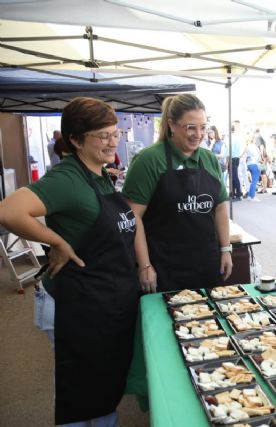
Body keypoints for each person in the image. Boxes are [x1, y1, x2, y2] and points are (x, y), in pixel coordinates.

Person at [0, 97, 140, 426]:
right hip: (76, 307)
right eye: (102, 135)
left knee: (102, 389)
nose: (112, 141)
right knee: (83, 395)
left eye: (114, 133)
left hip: (101, 302)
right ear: (76, 140)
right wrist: (56, 240)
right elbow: (8, 210)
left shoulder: (100, 174)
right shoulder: (67, 178)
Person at [122, 93, 232, 292]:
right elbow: (133, 216)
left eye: (203, 127)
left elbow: (221, 208)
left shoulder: (209, 159)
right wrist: (145, 265)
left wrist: (225, 249)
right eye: (190, 127)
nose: (198, 134)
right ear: (172, 125)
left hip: (206, 264)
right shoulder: (149, 160)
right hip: (164, 267)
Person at [243, 136, 261, 201]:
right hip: (254, 164)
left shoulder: (247, 147)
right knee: (254, 181)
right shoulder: (255, 147)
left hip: (249, 164)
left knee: (253, 181)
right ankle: (252, 196)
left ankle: (250, 196)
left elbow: (244, 154)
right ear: (253, 140)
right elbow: (259, 157)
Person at [230, 120, 243, 200]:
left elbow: (230, 149)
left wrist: (239, 156)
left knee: (234, 177)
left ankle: (238, 194)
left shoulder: (236, 136)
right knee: (233, 177)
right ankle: (234, 194)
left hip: (234, 158)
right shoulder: (234, 136)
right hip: (234, 158)